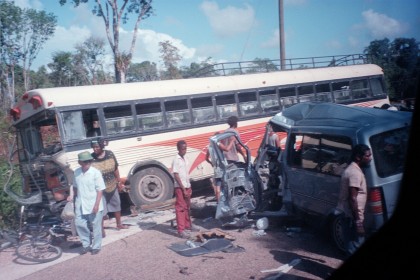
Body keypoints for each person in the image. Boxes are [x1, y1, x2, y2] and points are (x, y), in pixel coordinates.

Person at [336, 144, 372, 255]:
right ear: (358, 157)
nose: (370, 158)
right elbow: (352, 198)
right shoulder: (355, 173)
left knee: (351, 246)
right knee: (355, 247)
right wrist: (358, 222)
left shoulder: (353, 169)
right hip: (351, 217)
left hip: (348, 215)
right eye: (367, 156)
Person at [68, 151, 106, 255]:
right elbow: (75, 187)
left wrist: (97, 205)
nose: (87, 163)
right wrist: (71, 196)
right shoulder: (76, 172)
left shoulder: (95, 173)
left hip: (94, 202)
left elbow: (100, 190)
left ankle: (96, 246)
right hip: (80, 203)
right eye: (85, 161)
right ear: (80, 162)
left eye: (89, 161)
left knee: (95, 226)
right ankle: (86, 244)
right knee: (79, 224)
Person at [90, 138, 128, 238]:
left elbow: (115, 168)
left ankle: (119, 224)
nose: (95, 149)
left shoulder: (110, 154)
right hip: (99, 189)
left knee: (116, 204)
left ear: (102, 146)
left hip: (112, 184)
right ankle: (101, 230)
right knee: (101, 209)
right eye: (93, 147)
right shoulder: (91, 158)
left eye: (97, 147)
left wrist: (119, 181)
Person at [172, 140, 197, 238]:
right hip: (180, 187)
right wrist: (183, 189)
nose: (184, 150)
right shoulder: (176, 159)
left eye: (186, 148)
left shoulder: (185, 159)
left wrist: (188, 187)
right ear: (178, 149)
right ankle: (180, 230)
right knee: (180, 208)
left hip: (187, 185)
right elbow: (176, 175)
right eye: (183, 149)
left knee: (187, 207)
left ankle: (188, 225)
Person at [205, 133, 234, 202]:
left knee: (218, 187)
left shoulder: (209, 147)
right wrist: (232, 141)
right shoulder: (217, 144)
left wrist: (212, 163)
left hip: (216, 169)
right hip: (222, 169)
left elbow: (206, 158)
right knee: (227, 185)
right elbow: (227, 149)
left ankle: (219, 203)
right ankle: (229, 202)